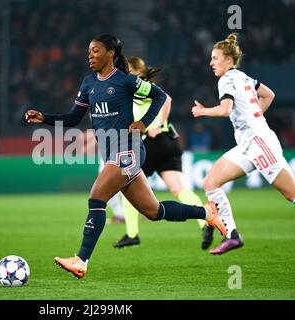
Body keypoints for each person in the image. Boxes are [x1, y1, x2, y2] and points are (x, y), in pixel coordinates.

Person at [25, 34, 226, 279]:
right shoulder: (89, 84)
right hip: (111, 151)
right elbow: (72, 119)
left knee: (96, 198)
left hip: (127, 150)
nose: (90, 55)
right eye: (89, 51)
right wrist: (43, 118)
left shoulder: (125, 81)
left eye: (96, 51)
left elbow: (160, 96)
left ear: (110, 53)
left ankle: (81, 259)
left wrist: (143, 122)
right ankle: (207, 213)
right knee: (154, 211)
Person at [192, 33, 295, 255]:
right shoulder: (245, 77)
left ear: (228, 60)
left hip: (259, 142)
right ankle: (232, 236)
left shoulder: (226, 79)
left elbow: (226, 110)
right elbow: (269, 95)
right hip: (247, 143)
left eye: (215, 58)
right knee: (211, 182)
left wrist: (203, 111)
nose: (211, 63)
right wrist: (253, 118)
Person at [113, 56, 207, 249]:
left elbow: (167, 99)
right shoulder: (144, 87)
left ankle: (132, 234)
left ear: (136, 72)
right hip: (170, 142)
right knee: (179, 189)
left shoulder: (139, 87)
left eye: (127, 70)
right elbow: (167, 99)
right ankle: (206, 222)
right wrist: (162, 124)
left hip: (151, 143)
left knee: (127, 186)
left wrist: (156, 125)